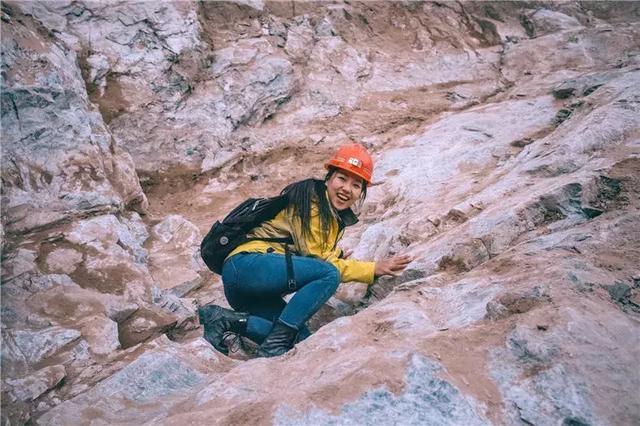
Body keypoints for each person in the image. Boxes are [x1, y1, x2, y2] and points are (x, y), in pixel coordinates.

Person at [199, 143, 412, 357]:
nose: (347, 188)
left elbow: (314, 253)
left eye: (357, 185)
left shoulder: (330, 214)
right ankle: (273, 346)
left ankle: (225, 319)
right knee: (329, 274)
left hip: (250, 288)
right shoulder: (312, 205)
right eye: (342, 178)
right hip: (247, 267)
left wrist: (332, 257)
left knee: (300, 341)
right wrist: (373, 269)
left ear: (361, 193)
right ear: (328, 179)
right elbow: (323, 265)